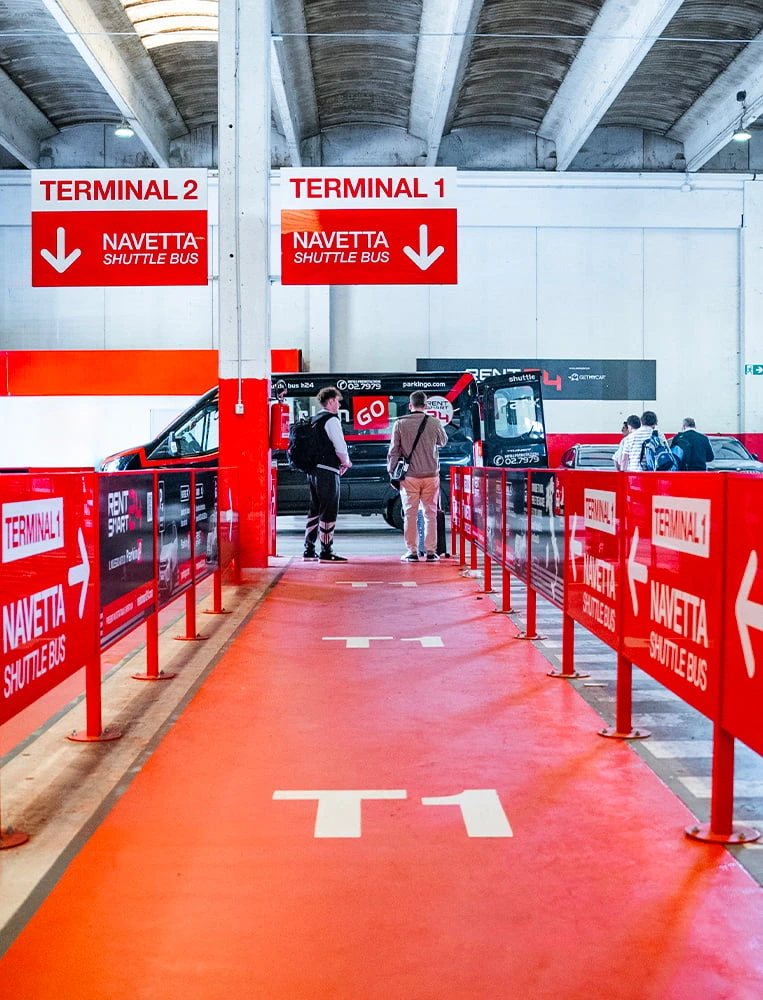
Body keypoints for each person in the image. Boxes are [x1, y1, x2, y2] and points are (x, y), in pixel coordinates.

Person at [388, 390, 448, 562]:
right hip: (431, 475)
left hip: (409, 477)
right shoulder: (434, 422)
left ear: (410, 405)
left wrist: (392, 472)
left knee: (410, 514)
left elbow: (394, 451)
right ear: (426, 406)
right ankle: (430, 552)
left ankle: (412, 552)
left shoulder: (400, 423)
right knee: (430, 514)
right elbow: (443, 442)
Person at [303, 387, 352, 562]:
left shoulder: (314, 419)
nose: (339, 405)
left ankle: (309, 549)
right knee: (329, 509)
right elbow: (340, 446)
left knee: (315, 508)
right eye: (337, 401)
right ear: (330, 401)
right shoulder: (331, 420)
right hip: (328, 470)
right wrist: (346, 462)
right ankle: (326, 550)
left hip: (313, 470)